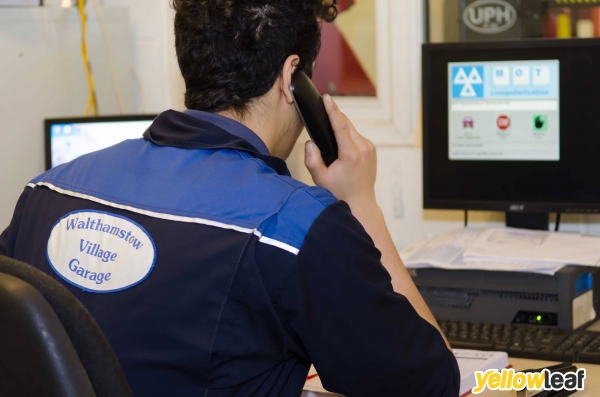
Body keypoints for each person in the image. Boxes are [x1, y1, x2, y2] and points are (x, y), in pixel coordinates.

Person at [0, 0, 459, 396]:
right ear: (291, 79)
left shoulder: (46, 191)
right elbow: (430, 384)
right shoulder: (298, 227)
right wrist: (362, 204)